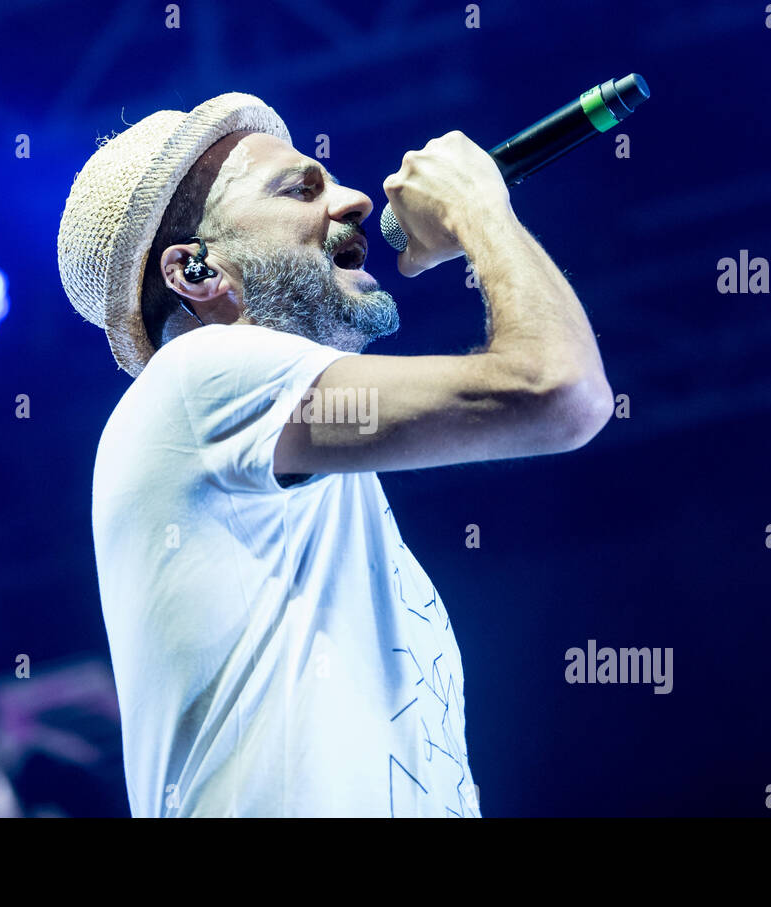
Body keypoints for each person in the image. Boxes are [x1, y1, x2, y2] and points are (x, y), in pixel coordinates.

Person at [57, 92, 613, 817]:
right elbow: (559, 390)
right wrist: (479, 207)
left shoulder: (292, 468)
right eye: (300, 189)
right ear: (196, 271)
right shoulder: (200, 378)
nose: (354, 200)